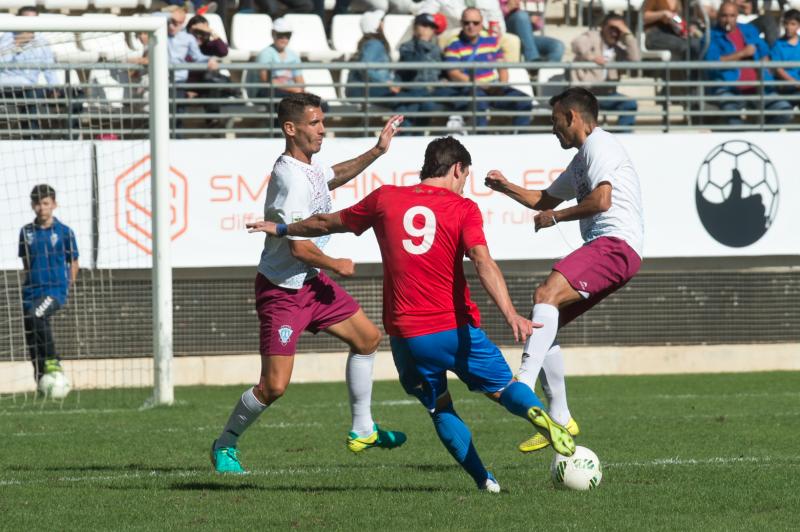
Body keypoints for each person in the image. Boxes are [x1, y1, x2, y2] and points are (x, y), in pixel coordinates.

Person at [247, 136, 576, 491]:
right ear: (456, 169)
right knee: (504, 388)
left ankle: (485, 481)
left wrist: (282, 228)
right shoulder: (463, 209)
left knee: (441, 408)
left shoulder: (385, 198)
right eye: (465, 177)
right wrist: (511, 313)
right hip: (457, 330)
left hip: (409, 337)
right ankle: (534, 413)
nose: (464, 185)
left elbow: (325, 223)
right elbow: (483, 262)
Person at [210, 93, 406, 474]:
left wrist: (377, 151)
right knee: (274, 387)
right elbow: (299, 248)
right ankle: (224, 444)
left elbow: (333, 176)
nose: (323, 129)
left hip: (311, 285)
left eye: (322, 121)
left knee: (367, 338)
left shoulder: (309, 168)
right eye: (315, 123)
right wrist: (336, 262)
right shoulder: (289, 178)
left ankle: (363, 429)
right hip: (283, 291)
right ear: (291, 129)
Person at [485, 87, 644, 453]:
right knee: (544, 319)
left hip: (615, 244)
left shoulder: (599, 147)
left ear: (572, 117)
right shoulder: (582, 160)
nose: (553, 128)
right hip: (612, 248)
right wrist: (505, 186)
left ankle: (522, 384)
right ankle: (560, 417)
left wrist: (556, 216)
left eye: (555, 120)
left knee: (545, 296)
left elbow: (602, 201)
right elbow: (543, 199)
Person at [18, 185, 79, 384]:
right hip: (31, 293)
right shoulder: (25, 232)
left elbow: (74, 262)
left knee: (37, 314)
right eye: (37, 203)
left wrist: (65, 287)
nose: (41, 207)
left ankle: (53, 358)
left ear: (54, 204)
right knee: (32, 339)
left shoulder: (64, 232)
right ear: (32, 205)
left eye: (45, 203)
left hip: (54, 290)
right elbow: (27, 263)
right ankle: (43, 383)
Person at [442, 8, 533, 128]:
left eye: (475, 23)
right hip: (470, 89)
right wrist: (480, 84)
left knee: (524, 102)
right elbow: (453, 73)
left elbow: (502, 67)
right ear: (461, 23)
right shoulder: (453, 44)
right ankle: (481, 138)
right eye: (467, 23)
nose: (471, 26)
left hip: (493, 88)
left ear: (481, 24)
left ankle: (518, 138)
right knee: (479, 102)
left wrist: (502, 85)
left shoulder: (491, 40)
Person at [705, 1, 791, 126]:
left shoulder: (749, 30)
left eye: (732, 15)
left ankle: (759, 139)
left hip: (758, 87)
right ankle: (743, 140)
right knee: (732, 118)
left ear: (737, 16)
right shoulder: (711, 36)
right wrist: (741, 54)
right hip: (729, 88)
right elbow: (711, 63)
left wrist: (765, 63)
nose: (728, 19)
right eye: (724, 15)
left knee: (784, 112)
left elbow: (764, 51)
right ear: (718, 16)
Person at [570, 13, 640, 129]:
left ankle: (622, 138)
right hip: (584, 94)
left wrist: (627, 34)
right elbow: (576, 44)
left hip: (605, 95)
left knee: (629, 104)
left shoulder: (618, 49)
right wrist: (592, 57)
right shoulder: (593, 36)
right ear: (603, 27)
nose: (614, 33)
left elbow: (635, 60)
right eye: (611, 28)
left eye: (618, 30)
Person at [0, 6, 59, 134]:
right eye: (26, 20)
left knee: (31, 96)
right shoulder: (5, 38)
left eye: (33, 20)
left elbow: (50, 70)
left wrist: (54, 88)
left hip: (27, 87)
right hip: (3, 86)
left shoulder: (42, 42)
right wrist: (16, 44)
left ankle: (31, 136)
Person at [256, 17, 305, 101]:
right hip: (271, 92)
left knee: (321, 104)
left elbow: (300, 81)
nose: (284, 39)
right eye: (280, 35)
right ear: (273, 34)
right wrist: (293, 89)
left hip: (290, 93)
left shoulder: (293, 55)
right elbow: (266, 80)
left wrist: (299, 90)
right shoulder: (265, 53)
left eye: (288, 35)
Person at [500, 0, 565, 63]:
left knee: (558, 46)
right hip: (507, 33)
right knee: (522, 16)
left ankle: (544, 71)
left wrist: (534, 21)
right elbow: (493, 17)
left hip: (527, 37)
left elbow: (539, 24)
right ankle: (532, 61)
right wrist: (507, 8)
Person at [771, 9, 800, 107]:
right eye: (786, 24)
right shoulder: (777, 45)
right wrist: (796, 83)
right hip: (785, 89)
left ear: (798, 25)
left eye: (793, 24)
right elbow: (778, 70)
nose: (788, 27)